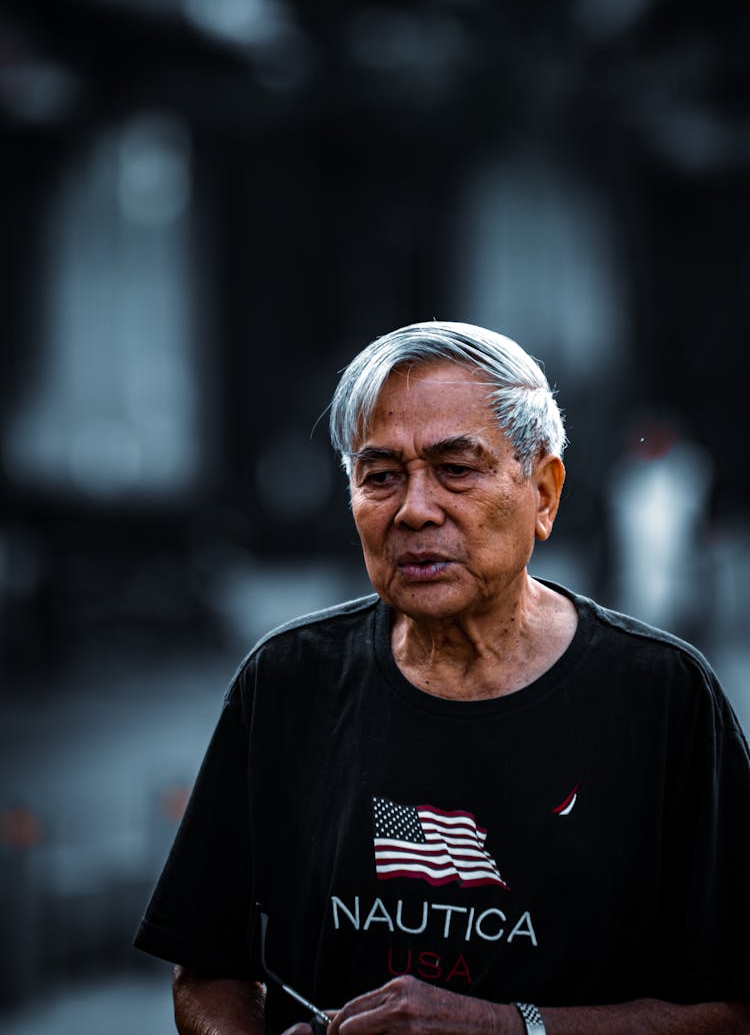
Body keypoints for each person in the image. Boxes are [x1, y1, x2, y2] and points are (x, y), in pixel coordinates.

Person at [134, 321, 750, 1034]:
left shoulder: (662, 698)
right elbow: (208, 967)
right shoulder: (286, 682)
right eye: (381, 476)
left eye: (457, 469)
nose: (415, 509)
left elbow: (730, 1008)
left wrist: (511, 1027)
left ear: (543, 492)